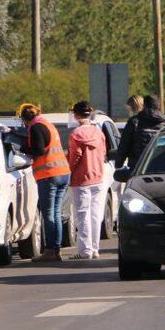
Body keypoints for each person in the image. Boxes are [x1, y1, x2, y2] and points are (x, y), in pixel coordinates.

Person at [17, 103, 71, 262]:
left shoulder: (35, 127)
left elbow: (39, 150)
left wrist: (22, 148)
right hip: (63, 173)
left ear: (24, 119)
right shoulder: (48, 124)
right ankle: (56, 250)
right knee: (55, 213)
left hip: (49, 174)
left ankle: (50, 251)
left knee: (48, 214)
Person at [67, 101, 107, 260]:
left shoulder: (75, 134)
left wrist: (68, 168)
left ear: (76, 115)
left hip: (81, 179)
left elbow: (75, 157)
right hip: (98, 177)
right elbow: (103, 153)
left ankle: (85, 250)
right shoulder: (99, 133)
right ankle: (95, 249)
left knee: (82, 215)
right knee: (96, 215)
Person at [116, 95, 165, 169]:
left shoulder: (134, 122)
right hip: (162, 165)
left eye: (130, 109)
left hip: (138, 166)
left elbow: (124, 144)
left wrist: (118, 164)